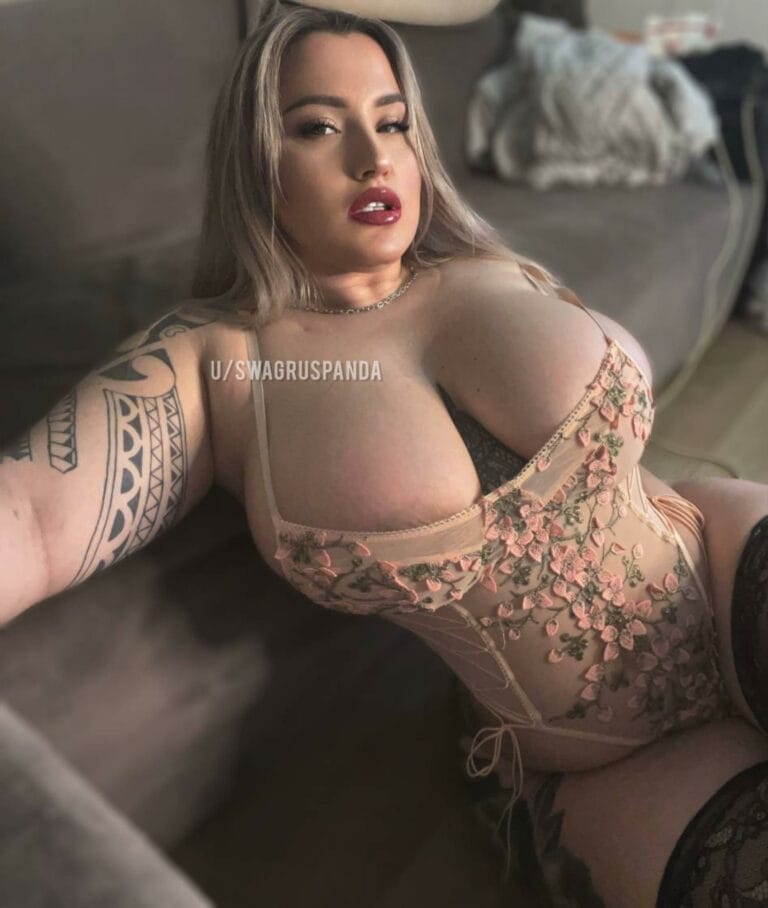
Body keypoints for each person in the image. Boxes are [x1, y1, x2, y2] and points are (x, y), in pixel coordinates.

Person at [2, 2, 768, 903]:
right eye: (319, 127)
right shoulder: (220, 358)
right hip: (592, 760)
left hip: (719, 557)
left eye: (393, 121)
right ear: (256, 161)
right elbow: (32, 520)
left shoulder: (486, 266)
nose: (372, 157)